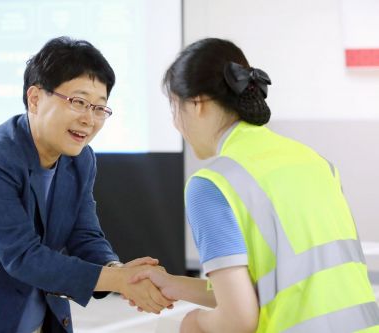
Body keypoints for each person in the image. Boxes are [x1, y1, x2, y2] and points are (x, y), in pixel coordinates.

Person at [0, 36, 172, 333]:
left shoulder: (80, 159)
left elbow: (85, 235)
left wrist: (117, 270)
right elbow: (23, 257)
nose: (89, 119)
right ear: (35, 98)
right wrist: (122, 281)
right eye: (79, 102)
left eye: (99, 108)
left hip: (37, 321)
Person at [131, 38, 379, 332]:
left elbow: (237, 319)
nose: (175, 123)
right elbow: (273, 288)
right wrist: (176, 285)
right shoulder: (315, 162)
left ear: (196, 103)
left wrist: (193, 323)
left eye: (174, 108)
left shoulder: (212, 185)